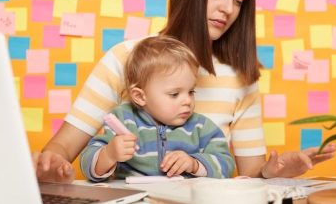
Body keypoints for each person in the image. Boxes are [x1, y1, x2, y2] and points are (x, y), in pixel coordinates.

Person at [34, 0, 336, 183]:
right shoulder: (126, 58)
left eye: (238, 0)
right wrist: (51, 165)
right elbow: (61, 149)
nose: (228, 9)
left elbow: (249, 181)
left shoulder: (241, 78)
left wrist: (275, 174)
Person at [80, 36, 235, 181]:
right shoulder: (124, 120)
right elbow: (87, 163)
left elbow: (226, 164)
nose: (187, 101)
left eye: (191, 91)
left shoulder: (202, 127)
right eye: (174, 94)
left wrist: (194, 164)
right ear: (140, 97)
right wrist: (109, 154)